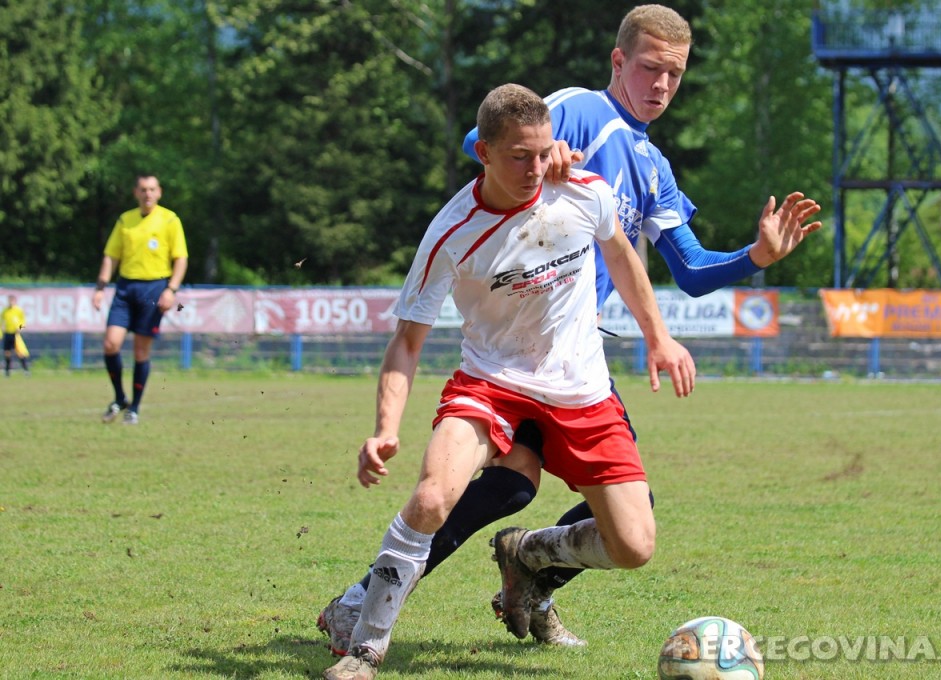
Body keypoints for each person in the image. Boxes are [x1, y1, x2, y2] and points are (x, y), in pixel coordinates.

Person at [318, 3, 823, 653]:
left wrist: (754, 257)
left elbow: (692, 270)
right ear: (618, 61)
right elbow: (487, 140)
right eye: (650, 68)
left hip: (573, 356)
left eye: (675, 74)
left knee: (557, 499)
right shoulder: (580, 109)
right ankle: (377, 602)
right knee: (502, 487)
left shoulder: (653, 166)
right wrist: (546, 154)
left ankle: (523, 568)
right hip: (511, 352)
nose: (662, 84)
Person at [322, 83, 696, 680]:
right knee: (433, 496)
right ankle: (365, 645)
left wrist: (659, 336)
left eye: (544, 153)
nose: (536, 168)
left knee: (634, 545)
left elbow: (623, 258)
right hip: (492, 384)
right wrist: (384, 428)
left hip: (581, 391)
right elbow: (407, 341)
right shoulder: (452, 231)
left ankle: (530, 553)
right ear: (484, 152)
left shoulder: (583, 191)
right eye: (520, 156)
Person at [92, 174, 188, 425]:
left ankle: (133, 408)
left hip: (154, 288)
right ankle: (120, 397)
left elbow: (180, 258)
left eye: (152, 189)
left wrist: (171, 290)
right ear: (136, 192)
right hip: (125, 287)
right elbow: (111, 256)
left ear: (159, 192)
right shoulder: (126, 220)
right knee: (111, 344)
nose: (148, 194)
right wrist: (101, 287)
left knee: (140, 350)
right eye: (143, 189)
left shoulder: (170, 219)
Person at [2, 295, 30, 376]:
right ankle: (7, 371)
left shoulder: (18, 311)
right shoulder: (5, 311)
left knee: (20, 352)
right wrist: (2, 327)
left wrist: (19, 328)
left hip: (16, 334)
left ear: (15, 301)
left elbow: (24, 323)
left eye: (12, 301)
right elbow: (1, 321)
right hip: (7, 333)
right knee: (7, 353)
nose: (11, 302)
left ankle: (26, 370)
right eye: (9, 301)